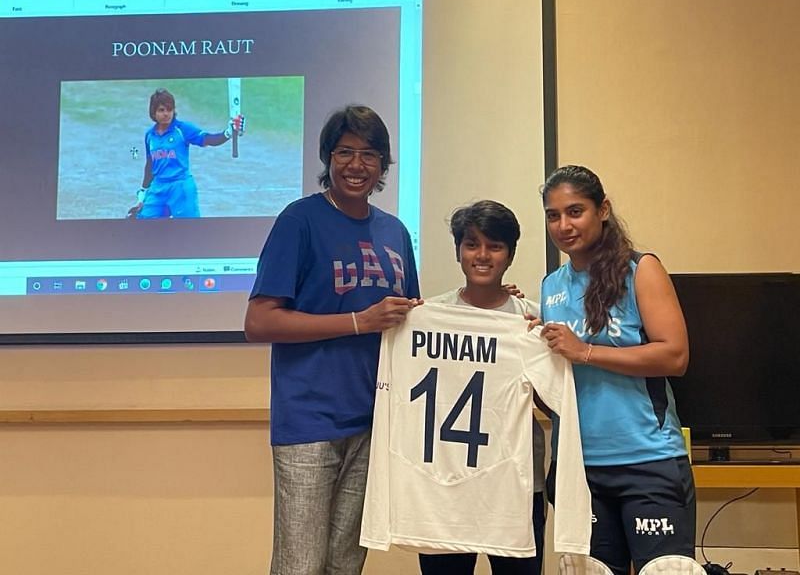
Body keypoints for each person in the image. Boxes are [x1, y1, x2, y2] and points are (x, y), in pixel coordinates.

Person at [244, 105, 421, 575]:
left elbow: (412, 322)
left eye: (368, 154)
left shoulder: (396, 232)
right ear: (328, 158)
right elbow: (258, 322)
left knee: (346, 565)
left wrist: (488, 302)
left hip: (372, 423)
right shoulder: (299, 221)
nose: (356, 164)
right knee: (301, 565)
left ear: (383, 164)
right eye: (344, 152)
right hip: (309, 420)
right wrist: (358, 321)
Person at [538, 165, 695, 575]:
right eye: (553, 215)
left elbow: (674, 356)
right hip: (579, 470)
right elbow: (557, 378)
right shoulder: (549, 286)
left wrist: (586, 351)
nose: (564, 225)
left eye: (575, 211)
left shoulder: (641, 270)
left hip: (648, 461)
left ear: (602, 209)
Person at [418, 200, 547, 575]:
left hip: (517, 483)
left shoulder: (532, 318)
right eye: (472, 244)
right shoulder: (429, 316)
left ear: (510, 254)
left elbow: (551, 400)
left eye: (495, 246)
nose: (482, 255)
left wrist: (540, 344)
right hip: (447, 482)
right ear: (458, 251)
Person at [127, 87, 245, 219]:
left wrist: (228, 132)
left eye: (169, 109)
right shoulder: (150, 135)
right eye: (161, 110)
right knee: (139, 222)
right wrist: (143, 193)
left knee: (190, 231)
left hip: (180, 187)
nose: (166, 114)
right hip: (158, 188)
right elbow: (150, 165)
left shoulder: (182, 129)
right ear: (153, 112)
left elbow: (208, 139)